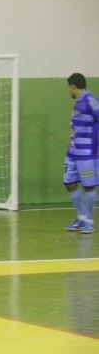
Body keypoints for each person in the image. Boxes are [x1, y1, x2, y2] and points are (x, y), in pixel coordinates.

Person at [64, 73, 99, 234]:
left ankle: (89, 222)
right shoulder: (77, 103)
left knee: (89, 187)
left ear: (73, 87)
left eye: (68, 87)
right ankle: (81, 216)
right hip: (72, 152)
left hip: (87, 154)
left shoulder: (91, 101)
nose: (67, 90)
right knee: (69, 182)